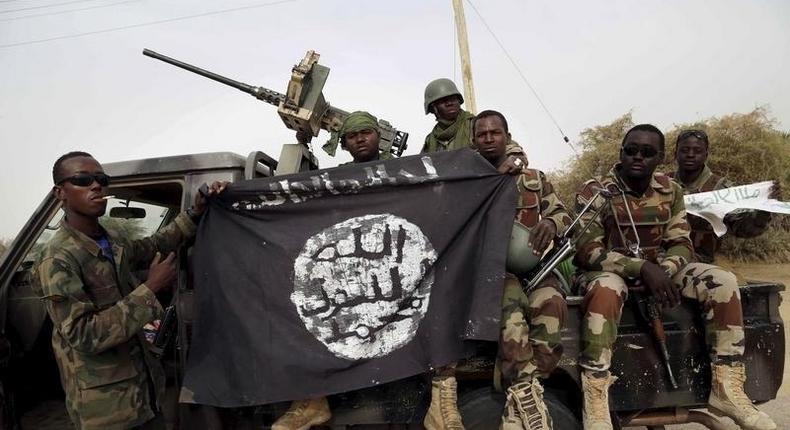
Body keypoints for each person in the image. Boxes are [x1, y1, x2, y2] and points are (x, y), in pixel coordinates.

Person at [573, 125, 776, 430]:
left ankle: (727, 388)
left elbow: (681, 242)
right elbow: (587, 250)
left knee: (722, 281)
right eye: (631, 150)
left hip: (662, 271)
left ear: (661, 158)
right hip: (610, 272)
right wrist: (641, 269)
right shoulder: (597, 191)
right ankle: (597, 398)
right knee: (605, 289)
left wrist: (664, 271)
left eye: (647, 152)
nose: (638, 157)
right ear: (621, 153)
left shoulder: (671, 190)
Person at [32, 151, 227, 430]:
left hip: (145, 391)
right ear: (59, 193)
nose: (96, 186)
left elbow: (156, 245)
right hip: (106, 409)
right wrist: (150, 289)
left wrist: (195, 212)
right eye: (83, 180)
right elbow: (84, 335)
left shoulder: (112, 239)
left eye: (101, 179)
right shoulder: (57, 259)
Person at [271, 111, 381, 430]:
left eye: (366, 132)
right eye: (352, 136)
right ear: (344, 144)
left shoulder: (405, 169)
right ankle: (313, 398)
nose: (360, 139)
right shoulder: (340, 177)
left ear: (377, 135)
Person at [473, 110, 571, 430]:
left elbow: (562, 213)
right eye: (482, 134)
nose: (489, 138)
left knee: (553, 304)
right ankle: (525, 394)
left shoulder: (534, 178)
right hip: (493, 273)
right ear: (474, 140)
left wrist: (550, 222)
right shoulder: (470, 180)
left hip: (536, 269)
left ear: (506, 135)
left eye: (495, 133)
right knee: (511, 308)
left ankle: (529, 388)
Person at [668, 129, 779, 264]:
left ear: (706, 155)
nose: (690, 155)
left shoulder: (721, 189)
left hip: (701, 264)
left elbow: (741, 228)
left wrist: (763, 210)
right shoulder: (662, 183)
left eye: (697, 151)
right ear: (676, 153)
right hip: (661, 259)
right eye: (685, 150)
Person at [422, 78, 526, 174]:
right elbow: (421, 166)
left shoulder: (476, 125)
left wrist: (516, 160)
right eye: (443, 101)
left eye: (453, 98)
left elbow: (514, 151)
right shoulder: (431, 139)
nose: (450, 103)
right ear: (433, 108)